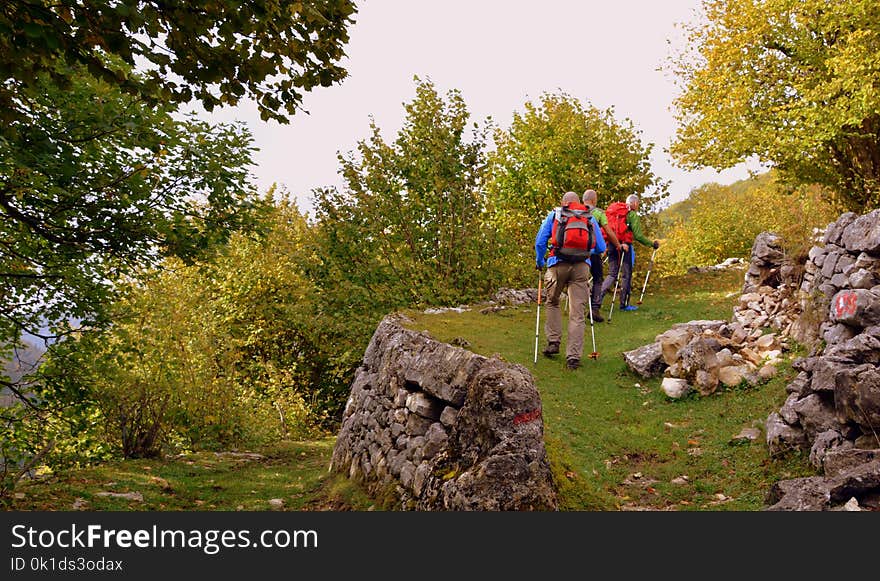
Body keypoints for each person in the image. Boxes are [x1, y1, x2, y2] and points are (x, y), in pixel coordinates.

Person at [535, 191, 606, 370]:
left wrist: (540, 261)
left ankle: (553, 342)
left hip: (557, 263)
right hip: (581, 267)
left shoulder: (556, 214)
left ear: (564, 202)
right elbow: (601, 247)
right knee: (577, 313)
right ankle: (573, 357)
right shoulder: (589, 217)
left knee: (552, 301)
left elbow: (540, 241)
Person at [600, 193, 659, 311]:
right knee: (626, 275)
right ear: (635, 203)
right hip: (625, 246)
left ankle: (597, 299)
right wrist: (652, 244)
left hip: (612, 243)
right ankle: (624, 304)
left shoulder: (615, 212)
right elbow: (638, 235)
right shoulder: (632, 215)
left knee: (612, 274)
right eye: (638, 204)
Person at [582, 189, 621, 322]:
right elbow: (608, 231)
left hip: (577, 253)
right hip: (593, 252)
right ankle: (594, 309)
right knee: (598, 279)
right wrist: (617, 245)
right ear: (594, 200)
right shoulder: (598, 213)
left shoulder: (576, 211)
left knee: (579, 279)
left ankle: (578, 308)